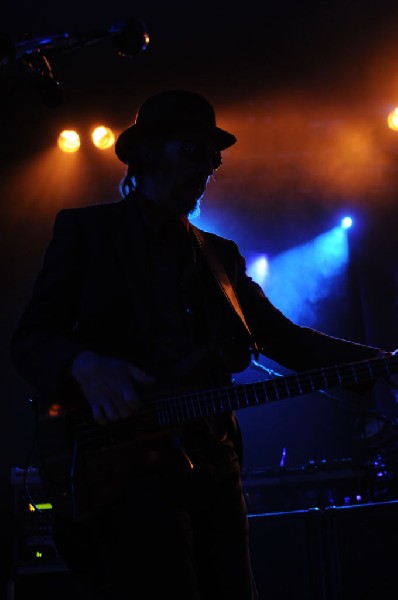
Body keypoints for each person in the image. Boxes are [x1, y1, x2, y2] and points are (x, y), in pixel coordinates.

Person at [9, 89, 396, 600]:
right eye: (192, 151)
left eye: (213, 157)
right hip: (126, 473)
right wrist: (83, 363)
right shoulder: (87, 232)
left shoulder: (220, 256)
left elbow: (283, 339)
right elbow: (32, 339)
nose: (209, 166)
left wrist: (381, 364)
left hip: (213, 469)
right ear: (146, 153)